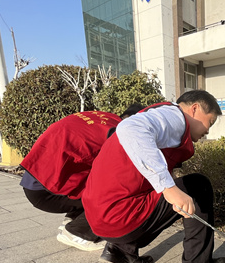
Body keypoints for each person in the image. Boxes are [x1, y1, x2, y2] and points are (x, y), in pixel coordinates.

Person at [83, 90, 225, 263]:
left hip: (99, 218)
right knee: (198, 186)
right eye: (210, 122)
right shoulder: (174, 117)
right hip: (119, 218)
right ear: (194, 109)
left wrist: (169, 186)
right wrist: (169, 189)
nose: (208, 131)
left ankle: (120, 250)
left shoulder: (160, 115)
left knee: (172, 187)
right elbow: (129, 128)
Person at [19, 103, 144, 251]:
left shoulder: (105, 118)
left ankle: (72, 220)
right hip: (46, 193)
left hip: (34, 179)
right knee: (120, 193)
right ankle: (77, 233)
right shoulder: (116, 134)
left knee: (95, 175)